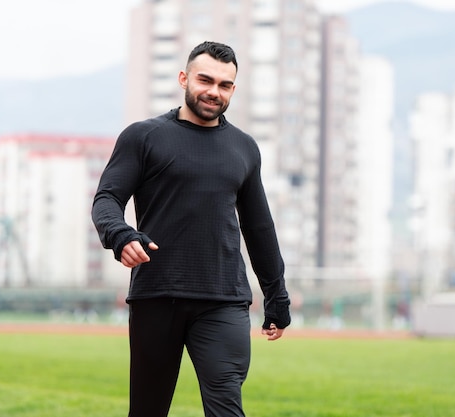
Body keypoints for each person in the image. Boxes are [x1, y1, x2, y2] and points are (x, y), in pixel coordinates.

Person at [91, 41, 291, 417]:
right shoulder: (143, 137)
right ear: (184, 78)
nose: (214, 91)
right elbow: (106, 199)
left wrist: (276, 296)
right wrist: (121, 236)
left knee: (226, 407)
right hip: (156, 295)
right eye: (205, 80)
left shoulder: (244, 148)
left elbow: (259, 227)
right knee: (148, 410)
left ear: (233, 89)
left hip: (224, 299)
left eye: (225, 84)